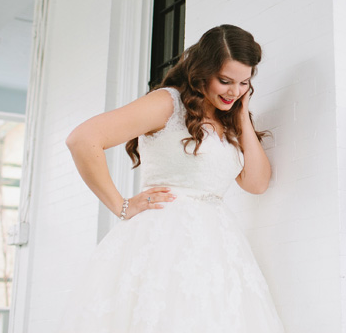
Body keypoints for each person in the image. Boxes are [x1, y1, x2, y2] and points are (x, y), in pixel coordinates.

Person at [62, 24, 283, 332]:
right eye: (225, 81)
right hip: (163, 241)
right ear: (202, 71)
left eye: (244, 82)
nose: (234, 91)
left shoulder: (229, 116)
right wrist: (121, 205)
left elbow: (257, 183)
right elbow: (82, 140)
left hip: (218, 248)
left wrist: (242, 115)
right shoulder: (167, 103)